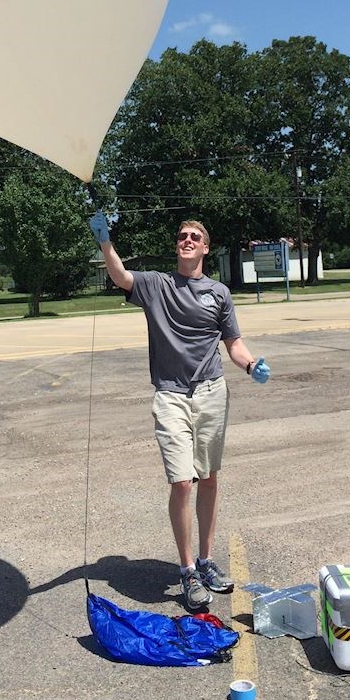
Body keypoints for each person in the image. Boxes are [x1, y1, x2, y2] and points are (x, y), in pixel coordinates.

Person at [89, 210, 270, 612]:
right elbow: (121, 276)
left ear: (205, 247)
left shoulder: (219, 293)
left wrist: (250, 364)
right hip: (170, 395)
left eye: (194, 236)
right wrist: (105, 241)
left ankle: (206, 561)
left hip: (211, 392)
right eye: (182, 236)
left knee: (208, 478)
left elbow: (233, 343)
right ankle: (187, 570)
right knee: (182, 481)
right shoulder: (156, 285)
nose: (186, 240)